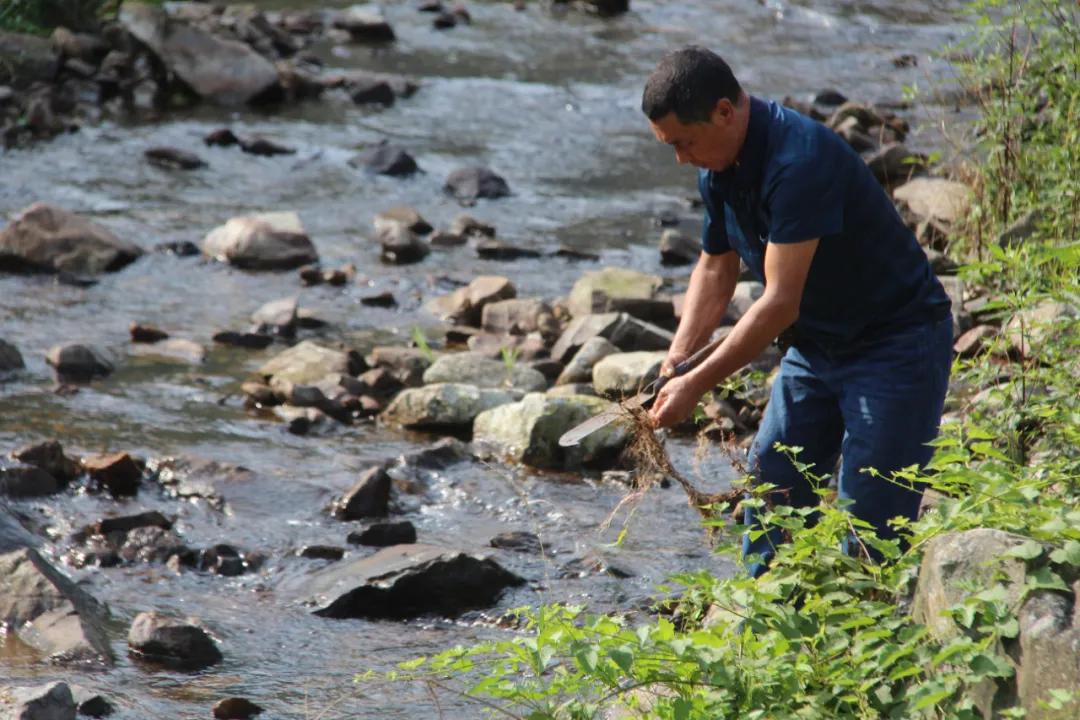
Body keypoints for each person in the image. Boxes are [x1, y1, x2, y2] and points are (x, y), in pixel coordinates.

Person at [641, 46, 953, 576]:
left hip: (895, 344)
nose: (681, 158)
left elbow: (779, 302)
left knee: (872, 511)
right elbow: (716, 268)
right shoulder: (717, 165)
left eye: (684, 143)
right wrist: (679, 360)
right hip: (817, 343)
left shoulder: (800, 161)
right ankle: (772, 616)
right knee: (774, 479)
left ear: (724, 112)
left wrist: (697, 387)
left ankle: (871, 632)